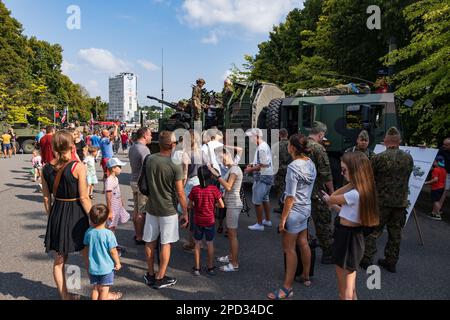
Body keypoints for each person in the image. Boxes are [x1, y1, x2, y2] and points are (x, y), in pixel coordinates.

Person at [321, 151, 379, 300]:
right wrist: (353, 182)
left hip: (347, 238)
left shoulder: (354, 194)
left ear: (355, 170)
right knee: (351, 290)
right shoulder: (362, 190)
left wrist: (331, 198)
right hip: (352, 237)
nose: (341, 172)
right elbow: (347, 213)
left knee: (344, 293)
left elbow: (332, 198)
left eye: (344, 169)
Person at [41, 130, 91, 299]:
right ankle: (99, 292)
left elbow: (47, 198)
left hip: (58, 212)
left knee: (59, 259)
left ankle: (65, 296)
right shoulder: (78, 167)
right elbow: (84, 197)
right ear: (71, 146)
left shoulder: (45, 169)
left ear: (54, 146)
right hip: (77, 212)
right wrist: (94, 218)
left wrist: (52, 217)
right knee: (87, 254)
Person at [267, 134, 316, 299]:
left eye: (288, 144)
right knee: (303, 242)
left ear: (293, 148)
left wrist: (282, 220)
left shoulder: (293, 167)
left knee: (289, 249)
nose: (287, 146)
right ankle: (306, 275)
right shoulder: (310, 163)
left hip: (294, 212)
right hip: (306, 209)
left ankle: (287, 288)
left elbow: (290, 197)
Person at [360, 127, 413, 273]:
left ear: (385, 141)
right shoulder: (408, 158)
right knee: (395, 234)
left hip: (381, 203)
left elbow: (369, 179)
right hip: (400, 203)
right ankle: (391, 262)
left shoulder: (378, 157)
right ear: (399, 141)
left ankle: (367, 259)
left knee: (373, 231)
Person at [142, 131, 188, 290]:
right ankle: (161, 277)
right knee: (165, 243)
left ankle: (150, 273)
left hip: (151, 206)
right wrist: (186, 212)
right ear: (173, 145)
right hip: (168, 209)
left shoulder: (150, 159)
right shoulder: (175, 165)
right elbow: (180, 193)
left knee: (150, 241)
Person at [210, 148, 244, 272]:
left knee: (232, 234)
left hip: (234, 204)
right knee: (230, 234)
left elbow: (228, 186)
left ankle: (234, 263)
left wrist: (217, 175)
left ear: (226, 154)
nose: (220, 161)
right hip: (231, 203)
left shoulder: (234, 169)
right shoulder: (232, 168)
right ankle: (231, 256)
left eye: (221, 158)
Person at [307, 121, 335, 264]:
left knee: (302, 223)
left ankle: (304, 251)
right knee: (323, 223)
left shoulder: (300, 145)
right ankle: (328, 253)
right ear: (321, 134)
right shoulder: (319, 149)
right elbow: (326, 174)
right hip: (317, 193)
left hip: (301, 193)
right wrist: (332, 192)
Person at [189, 166, 224, 276]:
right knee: (210, 243)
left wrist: (196, 204)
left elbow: (189, 205)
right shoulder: (214, 189)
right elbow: (222, 205)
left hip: (198, 220)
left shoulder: (195, 189)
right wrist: (214, 204)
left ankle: (197, 268)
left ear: (198, 177)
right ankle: (210, 267)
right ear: (210, 176)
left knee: (197, 243)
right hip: (210, 220)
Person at [84, 204, 122, 300]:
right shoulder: (109, 234)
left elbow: (86, 246)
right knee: (104, 290)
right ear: (106, 219)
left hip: (93, 267)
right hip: (106, 268)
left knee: (95, 288)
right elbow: (113, 251)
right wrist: (117, 263)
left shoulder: (89, 232)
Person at [245, 128, 274, 231]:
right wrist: (252, 165)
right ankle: (267, 220)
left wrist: (250, 169)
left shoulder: (261, 148)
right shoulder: (263, 145)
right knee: (265, 199)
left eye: (250, 137)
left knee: (257, 202)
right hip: (267, 177)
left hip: (262, 178)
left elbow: (264, 164)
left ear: (256, 136)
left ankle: (259, 224)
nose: (250, 139)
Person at [128, 127, 152, 245]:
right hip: (140, 183)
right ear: (144, 136)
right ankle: (140, 236)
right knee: (142, 211)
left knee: (136, 209)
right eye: (150, 135)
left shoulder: (133, 147)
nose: (151, 137)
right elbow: (147, 168)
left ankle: (137, 234)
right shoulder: (144, 150)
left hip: (133, 180)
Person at [180, 130, 202, 251]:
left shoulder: (186, 154)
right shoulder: (203, 153)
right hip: (202, 184)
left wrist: (181, 189)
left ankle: (191, 242)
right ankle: (199, 241)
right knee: (198, 214)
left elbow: (184, 174)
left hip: (191, 184)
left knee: (188, 213)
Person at [105, 158, 130, 235]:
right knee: (110, 226)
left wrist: (121, 201)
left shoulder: (115, 178)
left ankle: (113, 243)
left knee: (113, 225)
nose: (121, 169)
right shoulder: (109, 180)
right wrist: (109, 211)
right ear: (113, 168)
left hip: (117, 205)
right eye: (119, 167)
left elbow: (118, 191)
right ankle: (109, 244)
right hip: (112, 207)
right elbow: (108, 196)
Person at [273, 128, 292, 214]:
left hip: (280, 170)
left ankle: (282, 206)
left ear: (279, 135)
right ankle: (289, 206)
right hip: (290, 169)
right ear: (287, 134)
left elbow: (272, 159)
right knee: (290, 187)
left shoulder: (276, 146)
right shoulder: (292, 145)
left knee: (280, 188)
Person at [424, 156, 446, 220]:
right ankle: (434, 213)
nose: (433, 162)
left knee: (435, 201)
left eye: (434, 161)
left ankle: (438, 215)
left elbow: (435, 179)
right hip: (441, 187)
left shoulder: (436, 169)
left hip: (436, 188)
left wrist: (426, 182)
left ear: (437, 162)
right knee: (437, 200)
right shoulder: (444, 170)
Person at [99, 125, 118, 192]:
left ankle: (105, 188)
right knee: (110, 174)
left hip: (104, 158)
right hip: (108, 159)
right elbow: (114, 136)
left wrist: (109, 127)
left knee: (105, 174)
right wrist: (116, 128)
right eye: (108, 132)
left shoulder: (102, 139)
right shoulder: (106, 140)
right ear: (105, 134)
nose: (109, 133)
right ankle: (109, 188)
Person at [438, 138, 450, 215]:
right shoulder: (442, 149)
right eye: (443, 144)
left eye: (446, 145)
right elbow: (433, 153)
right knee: (444, 191)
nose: (444, 146)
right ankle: (437, 210)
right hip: (446, 174)